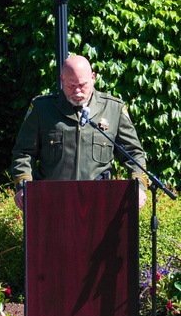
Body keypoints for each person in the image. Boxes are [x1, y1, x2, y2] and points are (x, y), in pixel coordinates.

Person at [11, 54, 148, 209]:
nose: (77, 92)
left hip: (99, 205)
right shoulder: (42, 110)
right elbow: (23, 152)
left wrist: (139, 187)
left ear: (93, 78)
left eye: (82, 85)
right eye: (71, 86)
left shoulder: (113, 109)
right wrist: (23, 187)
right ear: (62, 80)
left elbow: (134, 153)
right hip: (51, 204)